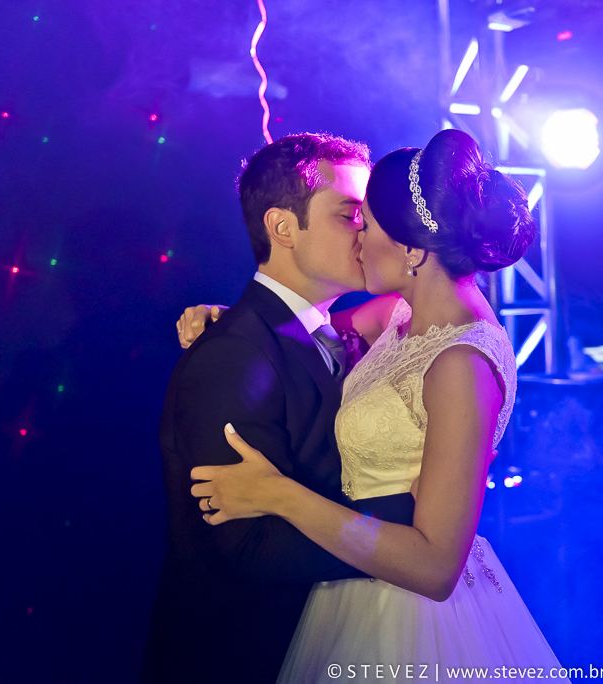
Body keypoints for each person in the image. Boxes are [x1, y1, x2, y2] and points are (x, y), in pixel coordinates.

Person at [181, 129, 565, 681]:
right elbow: (304, 335)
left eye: (367, 224)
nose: (357, 239)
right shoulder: (400, 315)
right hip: (349, 592)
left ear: (413, 249)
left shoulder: (461, 364)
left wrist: (278, 495)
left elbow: (435, 568)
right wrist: (227, 320)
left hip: (417, 620)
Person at [141, 133, 420, 684]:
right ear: (283, 227)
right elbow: (245, 548)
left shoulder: (333, 332)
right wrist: (409, 529)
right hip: (242, 659)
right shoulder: (232, 356)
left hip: (332, 641)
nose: (368, 231)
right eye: (350, 214)